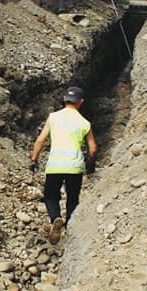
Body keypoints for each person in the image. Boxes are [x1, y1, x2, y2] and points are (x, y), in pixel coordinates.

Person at [29, 86, 99, 244]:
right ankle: (70, 230)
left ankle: (55, 218)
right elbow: (93, 148)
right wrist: (91, 164)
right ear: (81, 102)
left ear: (65, 99)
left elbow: (41, 140)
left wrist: (34, 159)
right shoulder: (84, 123)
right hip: (75, 168)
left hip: (55, 166)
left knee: (51, 196)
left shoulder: (53, 117)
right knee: (73, 199)